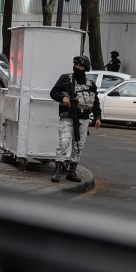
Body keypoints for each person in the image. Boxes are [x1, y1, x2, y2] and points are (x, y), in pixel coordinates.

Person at [50, 55, 102, 183]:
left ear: (86, 68)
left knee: (78, 145)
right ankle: (57, 171)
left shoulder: (91, 84)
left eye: (81, 66)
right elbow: (53, 92)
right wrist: (62, 98)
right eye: (77, 65)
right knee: (64, 142)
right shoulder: (66, 79)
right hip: (68, 118)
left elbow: (95, 102)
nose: (78, 67)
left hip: (83, 119)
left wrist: (97, 117)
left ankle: (72, 172)